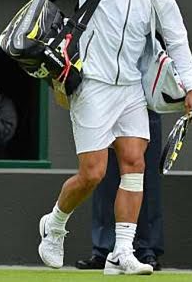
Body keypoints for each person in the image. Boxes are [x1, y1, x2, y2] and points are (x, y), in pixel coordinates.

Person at [39, 0, 192, 276]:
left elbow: (177, 42)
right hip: (93, 87)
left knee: (134, 166)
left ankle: (122, 252)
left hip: (131, 90)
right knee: (93, 174)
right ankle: (55, 225)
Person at [75, 111, 163, 271]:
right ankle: (104, 250)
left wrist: (191, 89)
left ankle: (146, 250)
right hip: (107, 103)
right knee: (105, 176)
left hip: (145, 103)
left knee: (142, 177)